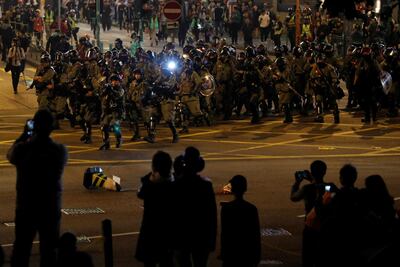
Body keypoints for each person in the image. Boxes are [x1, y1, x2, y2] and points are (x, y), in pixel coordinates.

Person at [7, 109, 68, 267]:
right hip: (50, 207)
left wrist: (24, 134)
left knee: (21, 250)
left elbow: (10, 155)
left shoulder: (24, 149)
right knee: (49, 252)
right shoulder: (59, 151)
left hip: (26, 206)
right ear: (51, 127)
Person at [173, 146, 217, 267]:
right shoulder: (206, 185)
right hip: (201, 236)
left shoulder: (177, 185)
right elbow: (211, 215)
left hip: (182, 236)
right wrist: (212, 240)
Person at [135, 151, 175, 267]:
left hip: (151, 228)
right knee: (167, 260)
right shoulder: (174, 182)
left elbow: (140, 194)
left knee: (149, 261)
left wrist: (150, 177)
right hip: (168, 228)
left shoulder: (149, 184)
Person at [290, 160, 329, 267]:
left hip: (310, 227)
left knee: (308, 258)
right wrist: (312, 179)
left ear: (311, 172)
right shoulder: (328, 187)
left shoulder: (307, 188)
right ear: (325, 172)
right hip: (324, 227)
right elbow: (321, 187)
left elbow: (293, 197)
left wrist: (297, 182)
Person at [220, 175, 261, 267]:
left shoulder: (226, 209)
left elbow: (225, 233)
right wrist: (257, 255)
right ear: (245, 189)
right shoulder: (251, 208)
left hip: (231, 252)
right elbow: (255, 234)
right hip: (247, 252)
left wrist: (223, 252)